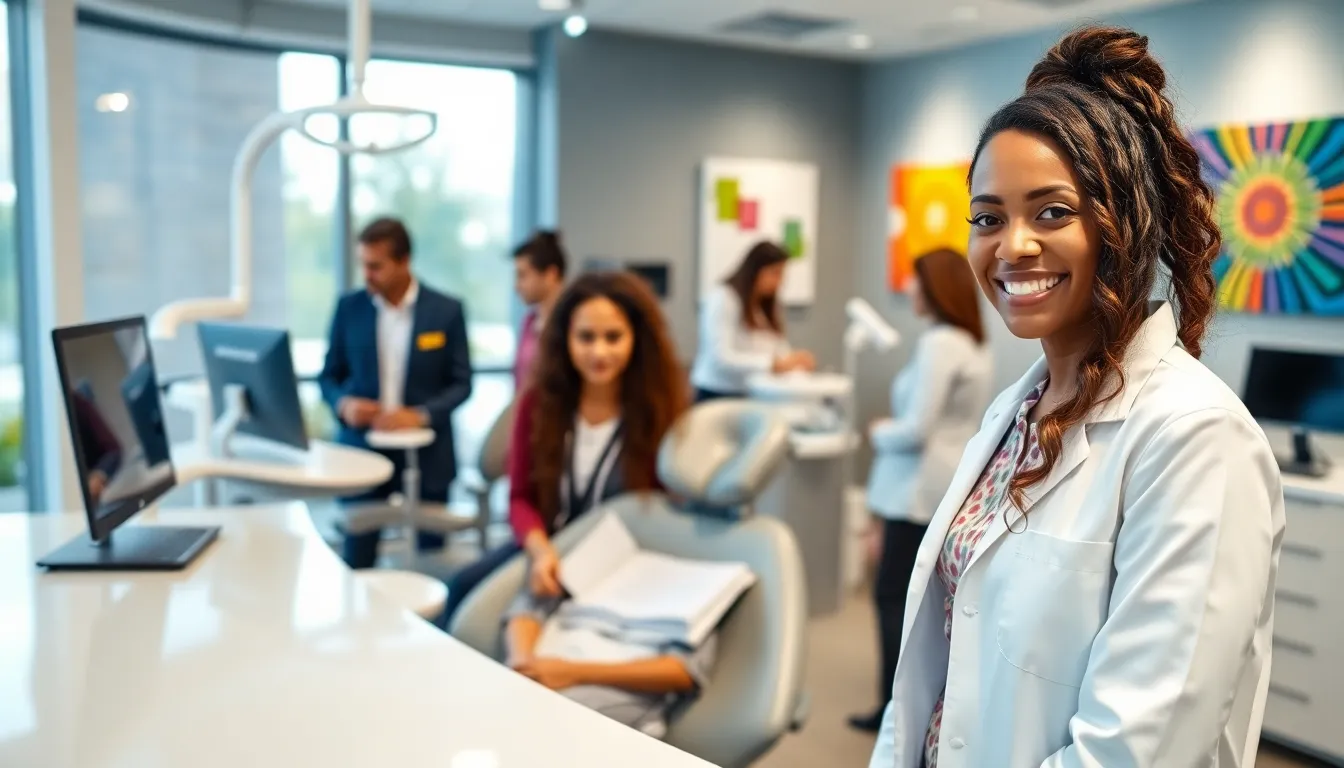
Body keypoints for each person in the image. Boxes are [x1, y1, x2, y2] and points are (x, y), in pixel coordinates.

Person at [870, 27, 1284, 768]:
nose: (1013, 245)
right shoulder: (1012, 416)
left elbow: (1137, 751)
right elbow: (929, 678)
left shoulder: (1195, 438)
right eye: (988, 217)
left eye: (1052, 212)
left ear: (1123, 224)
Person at [439, 271, 688, 625]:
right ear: (565, 339)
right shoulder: (538, 405)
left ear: (637, 339)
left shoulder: (659, 414)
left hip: (624, 558)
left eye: (613, 337)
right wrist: (541, 551)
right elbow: (520, 498)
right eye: (586, 337)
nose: (599, 351)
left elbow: (665, 507)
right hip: (549, 545)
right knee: (462, 589)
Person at [848, 249, 992, 733]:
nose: (910, 290)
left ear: (936, 287)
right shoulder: (971, 341)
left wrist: (876, 431)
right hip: (938, 489)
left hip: (916, 493)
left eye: (916, 281)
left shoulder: (941, 343)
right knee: (919, 605)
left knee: (893, 599)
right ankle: (906, 706)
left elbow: (914, 430)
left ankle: (893, 710)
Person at [319, 217, 473, 569]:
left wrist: (418, 414)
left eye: (375, 266)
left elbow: (462, 383)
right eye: (363, 265)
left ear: (404, 262)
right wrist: (344, 405)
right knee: (357, 560)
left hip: (427, 454)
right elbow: (328, 376)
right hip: (363, 450)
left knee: (431, 561)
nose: (367, 275)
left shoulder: (446, 311)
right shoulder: (349, 309)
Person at [689, 241, 816, 402]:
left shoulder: (765, 306)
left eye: (782, 274)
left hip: (752, 393)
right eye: (775, 273)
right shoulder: (723, 299)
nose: (780, 282)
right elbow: (720, 359)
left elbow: (779, 349)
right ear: (756, 270)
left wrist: (794, 362)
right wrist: (774, 365)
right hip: (718, 394)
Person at [511, 230, 568, 390]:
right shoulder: (530, 321)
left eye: (522, 275)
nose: (517, 286)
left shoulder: (572, 323)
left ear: (551, 274)